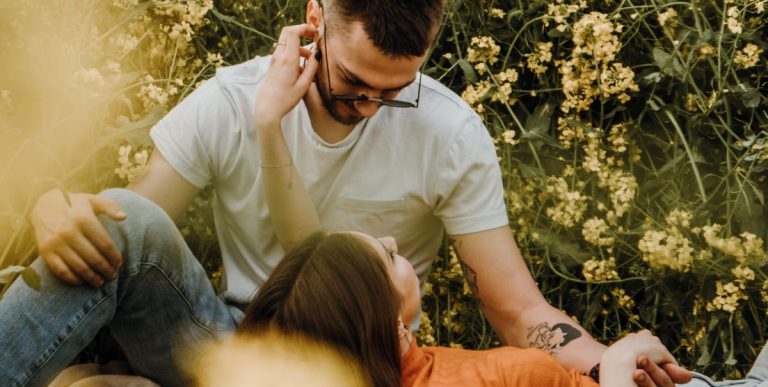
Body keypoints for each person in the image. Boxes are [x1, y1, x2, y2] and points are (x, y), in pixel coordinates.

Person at [0, 0, 689, 385]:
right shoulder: (229, 100)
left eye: (394, 92)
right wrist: (53, 209)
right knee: (124, 224)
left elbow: (518, 308)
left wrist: (606, 369)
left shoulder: (450, 133)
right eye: (353, 84)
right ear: (315, 18)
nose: (368, 106)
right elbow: (128, 231)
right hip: (235, 346)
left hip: (366, 359)